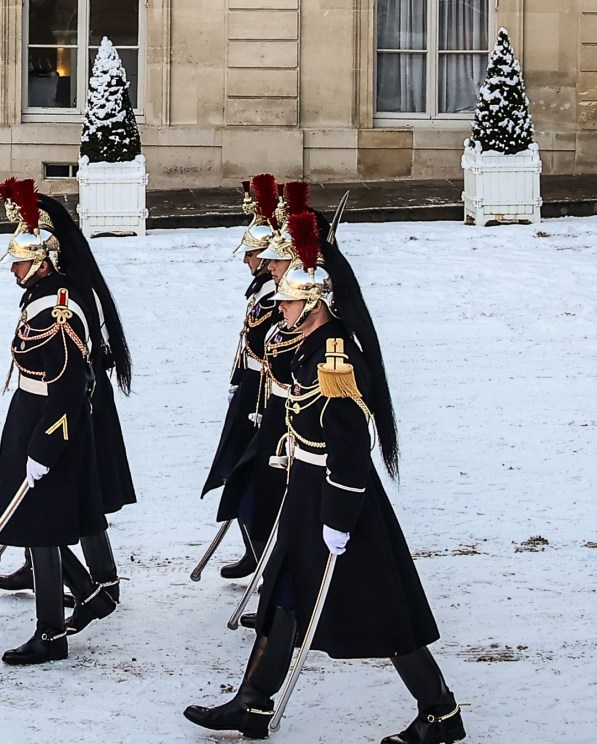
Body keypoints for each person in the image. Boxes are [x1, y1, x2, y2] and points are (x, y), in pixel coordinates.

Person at [185, 208, 462, 744]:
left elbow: (352, 449)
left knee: (381, 611)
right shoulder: (311, 345)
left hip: (340, 501)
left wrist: (337, 516)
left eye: (289, 299)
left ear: (314, 304)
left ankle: (440, 712)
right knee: (283, 594)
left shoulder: (334, 358)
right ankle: (253, 704)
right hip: (304, 491)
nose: (280, 303)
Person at [0, 177, 131, 665]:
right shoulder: (40, 298)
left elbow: (66, 390)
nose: (15, 270)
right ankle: (86, 591)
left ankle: (50, 633)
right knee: (27, 518)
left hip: (47, 424)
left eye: (23, 261)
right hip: (28, 416)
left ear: (45, 261)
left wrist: (45, 449)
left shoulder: (58, 311)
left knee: (41, 525)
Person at [202, 175, 283, 578]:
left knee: (254, 474)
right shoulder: (261, 290)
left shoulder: (276, 296)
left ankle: (264, 553)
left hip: (264, 394)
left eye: (252, 253)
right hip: (249, 387)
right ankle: (254, 547)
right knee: (237, 468)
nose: (246, 260)